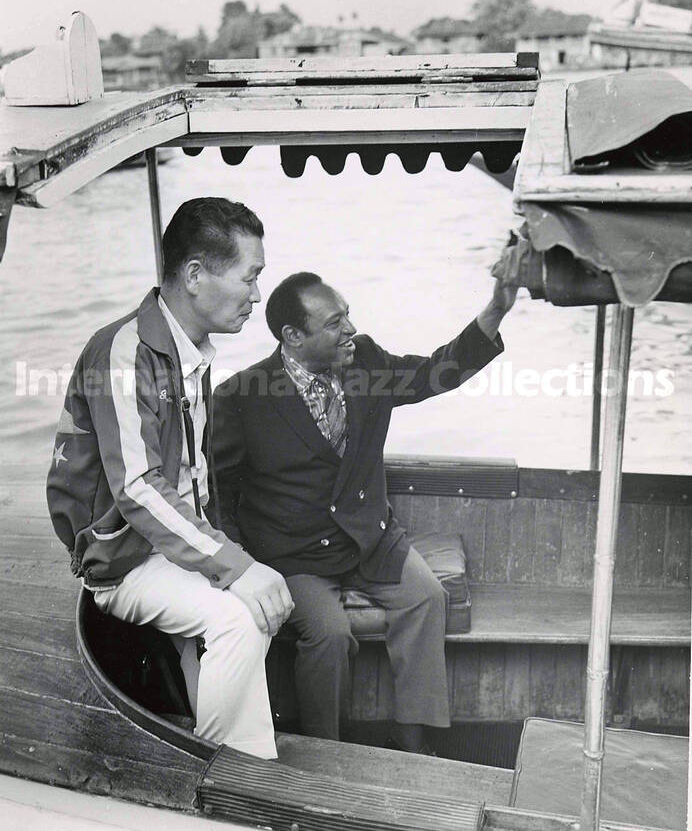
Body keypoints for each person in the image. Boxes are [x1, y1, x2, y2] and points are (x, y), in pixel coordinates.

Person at [212, 267, 516, 751]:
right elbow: (219, 493)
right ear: (293, 336)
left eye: (347, 314)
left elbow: (438, 372)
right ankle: (326, 751)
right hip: (294, 556)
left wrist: (496, 309)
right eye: (335, 323)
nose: (350, 328)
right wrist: (240, 571)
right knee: (330, 635)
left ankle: (415, 742)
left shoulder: (366, 361)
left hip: (372, 539)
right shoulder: (239, 397)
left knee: (428, 599)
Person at [46, 198, 293, 759]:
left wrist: (233, 559)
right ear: (196, 275)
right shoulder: (125, 352)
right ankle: (205, 776)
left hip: (171, 545)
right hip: (122, 560)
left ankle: (251, 764)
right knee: (238, 617)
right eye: (250, 278)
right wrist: (237, 567)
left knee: (250, 605)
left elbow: (195, 483)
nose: (257, 297)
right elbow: (137, 487)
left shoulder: (190, 352)